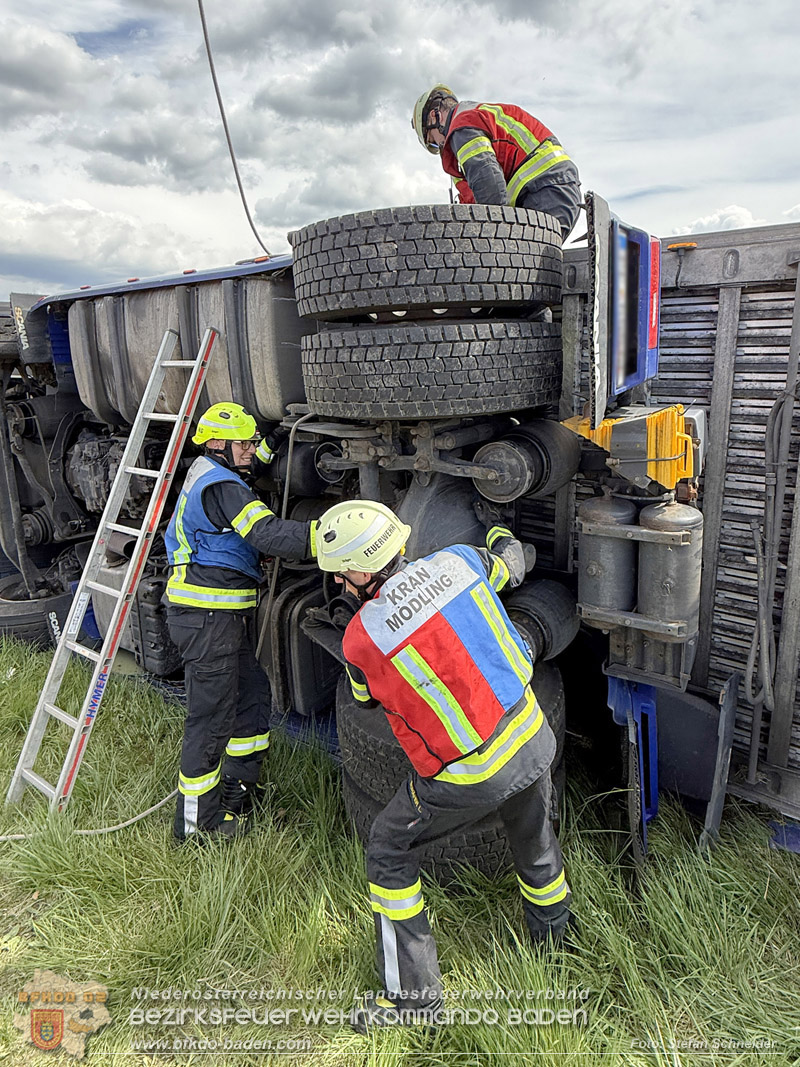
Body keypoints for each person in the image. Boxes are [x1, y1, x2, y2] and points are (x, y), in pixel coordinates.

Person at [315, 498, 572, 1032]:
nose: (341, 585)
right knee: (534, 839)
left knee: (387, 850)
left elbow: (364, 698)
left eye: (342, 575)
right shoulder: (459, 560)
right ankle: (557, 949)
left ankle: (414, 1003)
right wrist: (497, 522)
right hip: (532, 736)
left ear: (363, 569)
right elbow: (508, 561)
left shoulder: (362, 638)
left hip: (472, 773)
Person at [164, 403, 314, 843]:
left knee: (251, 697)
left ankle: (239, 792)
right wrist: (330, 535)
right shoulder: (221, 486)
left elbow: (257, 464)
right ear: (217, 445)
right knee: (210, 720)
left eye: (251, 442)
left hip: (221, 618)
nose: (250, 450)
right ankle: (196, 827)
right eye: (243, 444)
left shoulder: (218, 472)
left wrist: (281, 434)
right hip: (206, 618)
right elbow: (267, 535)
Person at [411, 83, 582, 241]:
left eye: (433, 141)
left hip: (544, 190)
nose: (440, 146)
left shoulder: (462, 127)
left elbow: (489, 188)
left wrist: (494, 243)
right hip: (554, 189)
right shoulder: (481, 115)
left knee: (514, 264)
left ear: (434, 116)